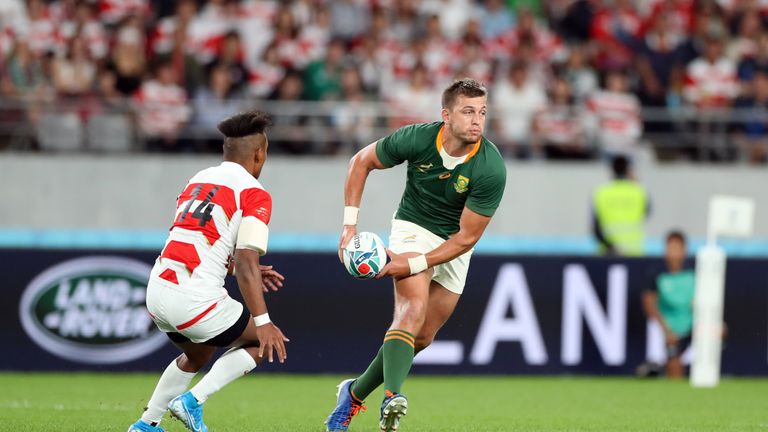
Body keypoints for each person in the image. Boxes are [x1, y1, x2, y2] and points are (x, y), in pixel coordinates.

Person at [324, 78, 507, 432]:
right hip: (412, 227)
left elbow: (465, 239)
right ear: (446, 115)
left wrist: (412, 264)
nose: (477, 121)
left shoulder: (491, 167)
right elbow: (360, 162)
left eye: (482, 112)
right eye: (468, 111)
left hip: (454, 244)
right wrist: (349, 226)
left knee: (421, 338)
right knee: (412, 309)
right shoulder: (418, 138)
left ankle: (354, 393)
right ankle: (392, 398)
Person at [127, 110, 289, 432]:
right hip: (193, 301)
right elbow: (246, 264)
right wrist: (264, 321)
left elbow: (195, 240)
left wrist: (233, 266)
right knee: (264, 341)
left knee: (199, 353)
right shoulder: (255, 193)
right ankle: (191, 402)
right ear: (260, 153)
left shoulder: (198, 178)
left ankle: (147, 424)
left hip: (157, 292)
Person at [642, 230, 694, 378]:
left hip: (693, 328)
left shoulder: (694, 272)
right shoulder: (657, 274)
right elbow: (649, 303)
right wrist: (666, 330)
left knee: (718, 331)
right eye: (670, 248)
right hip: (668, 329)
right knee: (674, 364)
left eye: (677, 248)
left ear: (684, 250)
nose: (674, 253)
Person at [592, 155, 650, 256]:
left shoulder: (601, 193)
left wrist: (611, 247)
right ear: (628, 170)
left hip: (608, 253)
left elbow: (596, 229)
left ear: (612, 170)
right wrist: (635, 182)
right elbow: (646, 212)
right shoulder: (639, 192)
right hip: (634, 251)